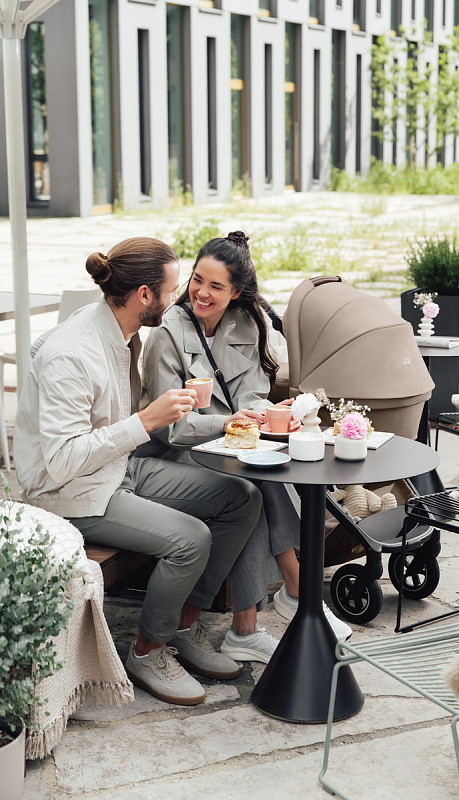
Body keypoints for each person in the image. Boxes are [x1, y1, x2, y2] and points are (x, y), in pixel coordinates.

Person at [13, 237, 263, 706]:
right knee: (190, 539)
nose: (180, 300)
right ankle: (148, 651)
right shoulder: (73, 353)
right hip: (68, 493)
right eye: (172, 291)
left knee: (242, 497)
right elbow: (61, 461)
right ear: (144, 295)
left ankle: (183, 626)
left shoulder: (122, 332)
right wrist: (146, 420)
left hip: (117, 468)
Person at [142, 231, 352, 662]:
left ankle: (249, 626)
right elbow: (169, 429)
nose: (201, 293)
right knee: (252, 481)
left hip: (229, 447)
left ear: (236, 292)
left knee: (256, 476)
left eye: (216, 286)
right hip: (176, 454)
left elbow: (251, 397)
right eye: (197, 280)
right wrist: (230, 423)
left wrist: (268, 414)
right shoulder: (166, 334)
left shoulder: (246, 324)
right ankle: (296, 591)